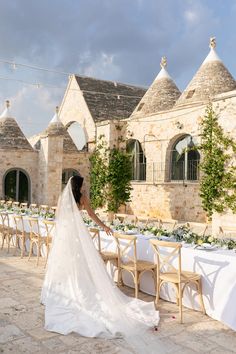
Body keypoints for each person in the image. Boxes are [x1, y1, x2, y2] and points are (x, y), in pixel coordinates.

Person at [41, 176, 166, 354]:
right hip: (76, 235)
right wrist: (104, 226)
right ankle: (80, 291)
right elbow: (92, 215)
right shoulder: (83, 198)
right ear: (79, 185)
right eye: (82, 183)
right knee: (82, 264)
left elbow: (57, 217)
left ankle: (67, 293)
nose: (84, 186)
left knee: (67, 265)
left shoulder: (63, 197)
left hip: (65, 236)